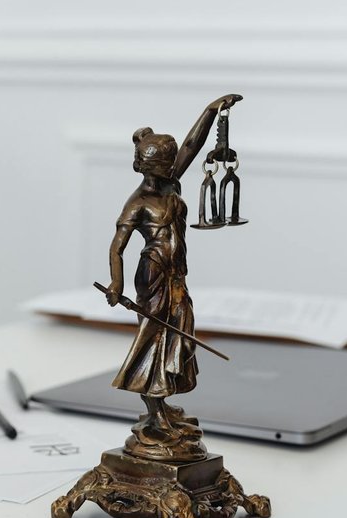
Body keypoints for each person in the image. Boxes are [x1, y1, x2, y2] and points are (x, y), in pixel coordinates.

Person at [103, 93, 242, 461]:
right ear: (149, 167)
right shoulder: (137, 202)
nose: (175, 167)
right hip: (153, 276)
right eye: (167, 164)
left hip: (177, 275)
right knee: (154, 340)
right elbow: (117, 247)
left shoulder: (169, 182)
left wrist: (210, 111)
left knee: (179, 335)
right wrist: (116, 283)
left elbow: (192, 146)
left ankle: (162, 406)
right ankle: (155, 413)